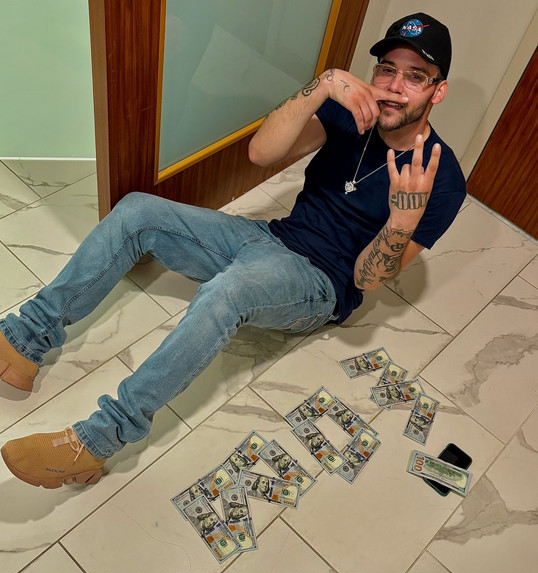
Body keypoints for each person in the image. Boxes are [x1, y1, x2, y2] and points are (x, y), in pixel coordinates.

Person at [0, 12, 465, 489]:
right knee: (138, 210)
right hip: (272, 237)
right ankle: (24, 339)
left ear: (438, 90)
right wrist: (323, 85)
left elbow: (366, 281)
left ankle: (98, 441)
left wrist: (401, 220)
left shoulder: (444, 180)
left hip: (322, 283)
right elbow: (262, 152)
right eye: (387, 69)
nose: (394, 87)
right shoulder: (355, 114)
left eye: (415, 77)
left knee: (230, 291)